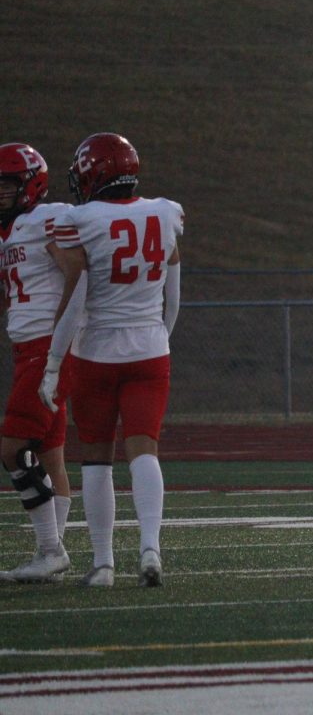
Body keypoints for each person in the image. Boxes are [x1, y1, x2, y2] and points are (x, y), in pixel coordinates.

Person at [39, 133, 184, 588]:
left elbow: (76, 297)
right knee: (145, 449)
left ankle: (103, 564)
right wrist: (162, 336)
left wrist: (51, 363)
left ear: (92, 174)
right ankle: (150, 549)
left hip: (96, 352)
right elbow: (173, 291)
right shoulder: (165, 211)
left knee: (97, 460)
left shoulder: (78, 219)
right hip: (150, 348)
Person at [0, 143, 75, 582]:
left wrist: (68, 331)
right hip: (28, 349)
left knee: (11, 448)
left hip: (47, 348)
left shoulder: (42, 221)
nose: (1, 195)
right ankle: (54, 556)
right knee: (52, 458)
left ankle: (51, 550)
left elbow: (74, 268)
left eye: (7, 186)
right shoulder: (10, 232)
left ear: (31, 186)